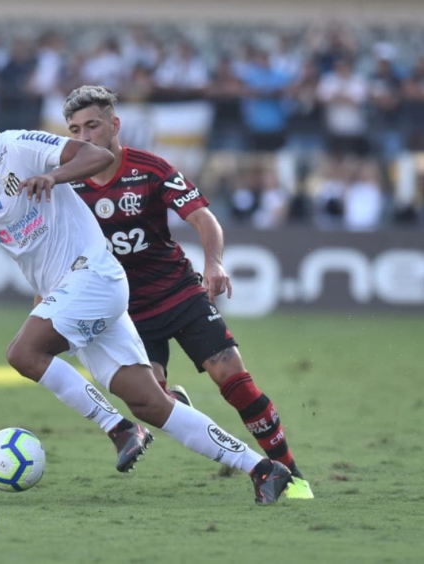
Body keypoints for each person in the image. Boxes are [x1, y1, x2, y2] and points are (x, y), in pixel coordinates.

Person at [0, 85, 293, 504]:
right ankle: (263, 469)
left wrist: (52, 175)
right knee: (152, 404)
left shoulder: (21, 146)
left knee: (23, 353)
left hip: (94, 276)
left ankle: (119, 428)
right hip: (70, 293)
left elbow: (97, 156)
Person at [62, 84, 313, 500]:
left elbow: (204, 219)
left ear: (115, 125)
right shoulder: (69, 186)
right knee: (151, 403)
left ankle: (292, 475)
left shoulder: (150, 168)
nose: (85, 137)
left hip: (180, 294)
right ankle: (175, 400)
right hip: (127, 311)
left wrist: (214, 263)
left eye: (93, 126)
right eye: (76, 130)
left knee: (235, 382)